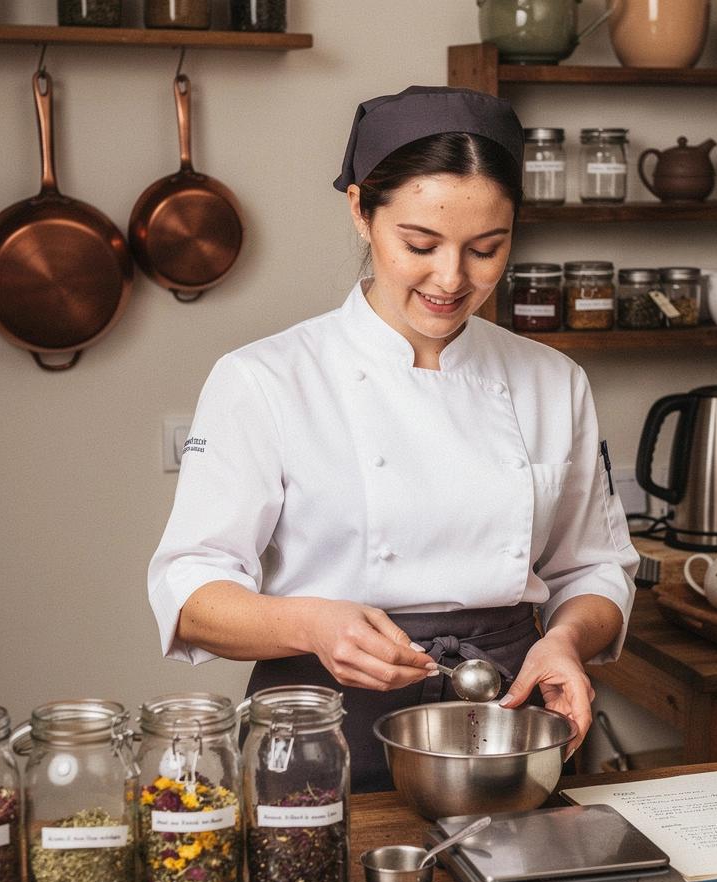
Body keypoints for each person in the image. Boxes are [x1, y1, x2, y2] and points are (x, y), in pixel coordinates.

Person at [148, 85, 639, 792]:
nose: (452, 278)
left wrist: (564, 640)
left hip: (506, 718)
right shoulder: (265, 379)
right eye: (420, 243)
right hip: (321, 725)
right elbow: (191, 593)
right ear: (360, 211)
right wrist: (314, 627)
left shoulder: (552, 380)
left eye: (485, 248)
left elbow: (594, 570)